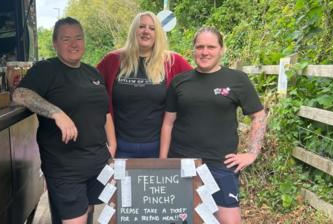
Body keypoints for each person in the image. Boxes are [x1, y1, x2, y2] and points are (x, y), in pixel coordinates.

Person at [12, 17, 116, 224]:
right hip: (65, 168)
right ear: (55, 43)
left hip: (96, 162)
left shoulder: (92, 72)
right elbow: (20, 94)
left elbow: (104, 112)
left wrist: (112, 145)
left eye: (78, 38)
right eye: (66, 39)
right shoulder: (46, 69)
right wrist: (57, 113)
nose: (74, 44)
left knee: (88, 213)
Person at [160, 27, 267, 224]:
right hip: (183, 163)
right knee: (182, 219)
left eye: (211, 47)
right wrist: (163, 162)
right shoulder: (179, 82)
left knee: (229, 220)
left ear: (221, 50)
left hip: (222, 164)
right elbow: (168, 123)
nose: (205, 52)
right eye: (200, 47)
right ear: (193, 50)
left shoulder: (237, 80)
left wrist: (252, 153)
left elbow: (259, 116)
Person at [97, 11, 192, 158]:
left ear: (158, 33)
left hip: (159, 149)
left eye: (152, 28)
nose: (146, 31)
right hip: (120, 148)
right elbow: (90, 91)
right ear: (134, 30)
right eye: (141, 26)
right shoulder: (113, 60)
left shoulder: (172, 61)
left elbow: (198, 87)